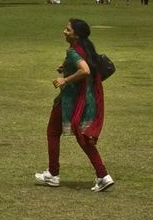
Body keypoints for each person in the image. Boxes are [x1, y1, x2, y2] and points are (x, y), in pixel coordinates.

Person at [34, 18, 114, 192]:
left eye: (68, 30)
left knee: (53, 132)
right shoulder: (85, 47)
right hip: (86, 99)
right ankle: (102, 175)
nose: (64, 31)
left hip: (71, 101)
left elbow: (85, 70)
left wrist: (65, 79)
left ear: (76, 35)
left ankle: (53, 174)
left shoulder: (73, 52)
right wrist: (66, 68)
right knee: (83, 137)